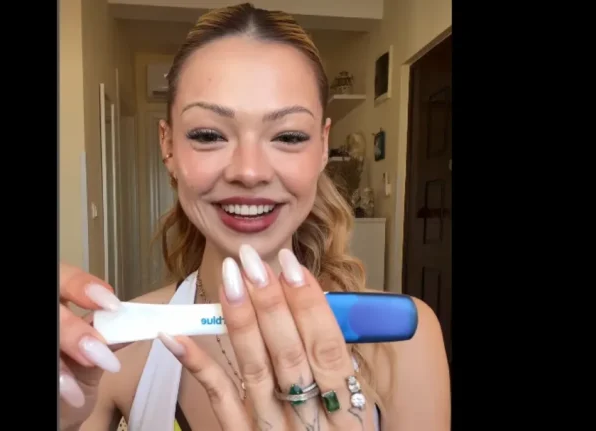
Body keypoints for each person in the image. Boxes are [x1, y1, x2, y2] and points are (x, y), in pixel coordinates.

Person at [59, 3, 450, 430]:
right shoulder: (114, 346)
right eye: (209, 135)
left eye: (289, 136)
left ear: (323, 146)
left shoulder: (402, 342)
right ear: (168, 145)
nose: (249, 171)